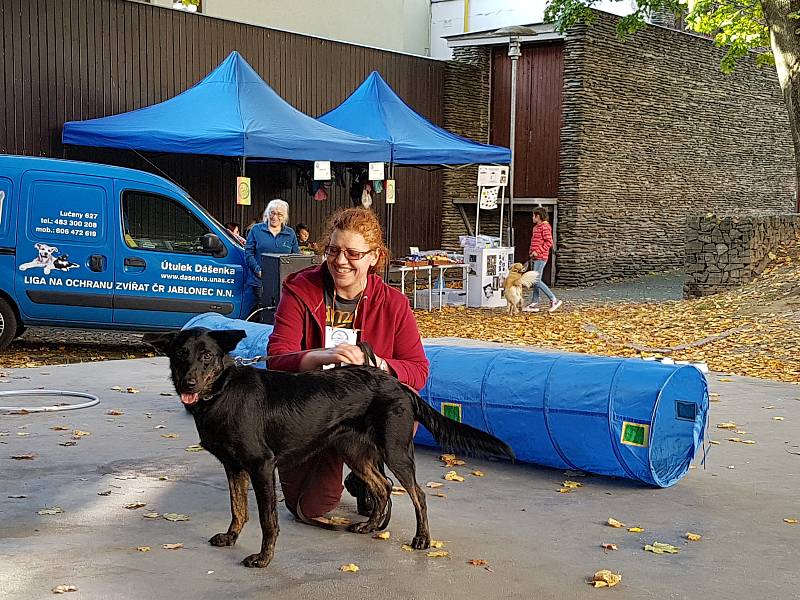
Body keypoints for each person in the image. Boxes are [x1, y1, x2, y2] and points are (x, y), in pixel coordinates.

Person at [267, 207, 429, 522]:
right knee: (310, 507)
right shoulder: (300, 289)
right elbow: (276, 357)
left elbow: (418, 370)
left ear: (374, 257)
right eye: (333, 250)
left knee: (403, 409)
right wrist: (320, 355)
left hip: (364, 409)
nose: (340, 261)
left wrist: (376, 362)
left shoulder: (394, 304)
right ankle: (349, 461)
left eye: (353, 253)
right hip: (313, 410)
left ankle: (367, 468)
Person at [243, 199, 299, 318]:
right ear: (267, 214)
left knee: (283, 312)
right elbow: (248, 253)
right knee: (264, 313)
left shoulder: (290, 233)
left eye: (279, 214)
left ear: (284, 217)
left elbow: (296, 257)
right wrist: (258, 271)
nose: (275, 217)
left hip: (284, 282)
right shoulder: (256, 230)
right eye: (272, 213)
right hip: (259, 281)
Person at [524, 207, 563, 313]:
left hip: (541, 258)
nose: (532, 218)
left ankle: (553, 299)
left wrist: (538, 251)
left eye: (533, 216)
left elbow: (549, 242)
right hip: (535, 257)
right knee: (535, 280)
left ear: (538, 216)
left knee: (536, 280)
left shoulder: (545, 227)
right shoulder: (536, 227)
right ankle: (534, 303)